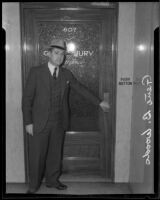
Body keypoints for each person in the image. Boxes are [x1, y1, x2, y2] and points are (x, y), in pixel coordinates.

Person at [22, 38, 109, 194]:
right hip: (39, 122)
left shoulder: (66, 73)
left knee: (55, 154)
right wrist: (28, 122)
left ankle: (52, 181)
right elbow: (27, 99)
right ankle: (33, 185)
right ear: (48, 54)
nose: (59, 57)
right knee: (37, 155)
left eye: (62, 54)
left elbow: (80, 89)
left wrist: (99, 102)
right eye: (56, 53)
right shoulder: (36, 72)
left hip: (59, 122)